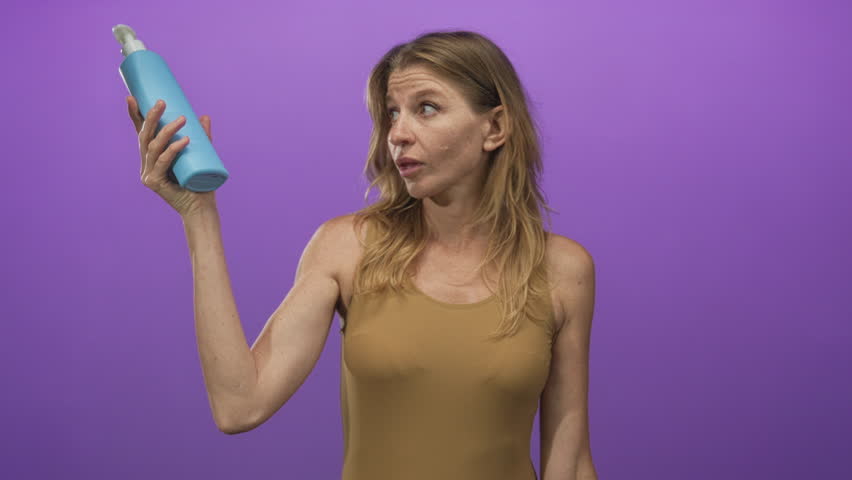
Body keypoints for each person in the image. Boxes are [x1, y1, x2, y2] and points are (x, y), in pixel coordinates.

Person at [126, 30, 597, 480]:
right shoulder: (347, 247)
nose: (399, 134)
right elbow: (239, 404)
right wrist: (199, 215)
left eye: (426, 109)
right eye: (392, 113)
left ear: (494, 127)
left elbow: (569, 461)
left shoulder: (563, 271)